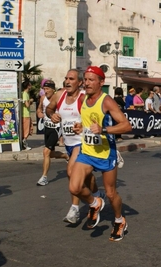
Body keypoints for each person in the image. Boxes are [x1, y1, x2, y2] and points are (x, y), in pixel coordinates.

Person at [69, 66, 132, 241]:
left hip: (105, 153)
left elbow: (127, 126)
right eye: (85, 79)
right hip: (87, 151)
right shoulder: (83, 99)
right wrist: (80, 128)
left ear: (101, 82)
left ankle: (119, 220)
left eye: (91, 80)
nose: (87, 83)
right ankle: (95, 202)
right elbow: (87, 124)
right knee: (74, 187)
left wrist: (104, 129)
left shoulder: (107, 101)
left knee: (111, 193)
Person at [46, 69, 105, 223]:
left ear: (79, 83)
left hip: (82, 142)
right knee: (86, 178)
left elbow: (98, 115)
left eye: (71, 79)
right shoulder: (59, 95)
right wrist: (52, 114)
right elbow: (48, 108)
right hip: (69, 144)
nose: (67, 81)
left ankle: (75, 210)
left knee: (71, 172)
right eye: (66, 78)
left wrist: (85, 125)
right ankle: (98, 195)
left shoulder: (84, 98)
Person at [36, 80, 69, 186]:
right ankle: (66, 156)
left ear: (53, 90)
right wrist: (39, 113)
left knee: (46, 152)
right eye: (44, 89)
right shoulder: (42, 98)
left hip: (56, 128)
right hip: (47, 128)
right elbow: (39, 109)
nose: (45, 91)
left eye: (47, 89)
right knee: (51, 154)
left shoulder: (58, 98)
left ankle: (44, 177)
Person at [21, 80, 34, 150]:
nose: (31, 86)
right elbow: (27, 104)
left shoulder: (26, 94)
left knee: (29, 128)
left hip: (27, 114)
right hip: (25, 114)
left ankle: (24, 143)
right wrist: (30, 101)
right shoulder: (25, 94)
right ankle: (24, 144)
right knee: (26, 130)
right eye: (30, 85)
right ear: (28, 86)